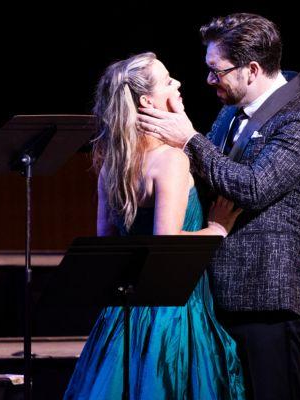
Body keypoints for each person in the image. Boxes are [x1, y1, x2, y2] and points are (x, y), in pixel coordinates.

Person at [137, 13, 300, 400]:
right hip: (214, 294)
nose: (209, 80)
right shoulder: (231, 109)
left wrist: (189, 139)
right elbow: (208, 173)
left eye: (217, 70)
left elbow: (255, 187)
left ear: (252, 70)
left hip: (263, 299)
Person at [64, 52, 246, 399]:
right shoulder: (170, 161)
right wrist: (217, 230)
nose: (178, 83)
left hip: (125, 315)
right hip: (172, 314)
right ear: (147, 101)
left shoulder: (113, 165)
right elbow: (168, 247)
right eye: (167, 80)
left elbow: (109, 244)